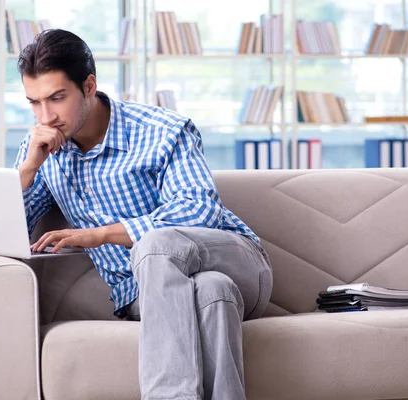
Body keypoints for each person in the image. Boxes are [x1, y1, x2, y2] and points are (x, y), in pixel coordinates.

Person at [14, 29, 273, 400]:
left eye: (57, 98)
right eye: (34, 103)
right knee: (212, 291)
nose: (46, 116)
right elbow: (9, 230)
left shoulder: (162, 130)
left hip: (237, 260)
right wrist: (28, 170)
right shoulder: (39, 148)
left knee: (156, 244)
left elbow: (198, 209)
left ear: (89, 86)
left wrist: (98, 235)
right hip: (145, 292)